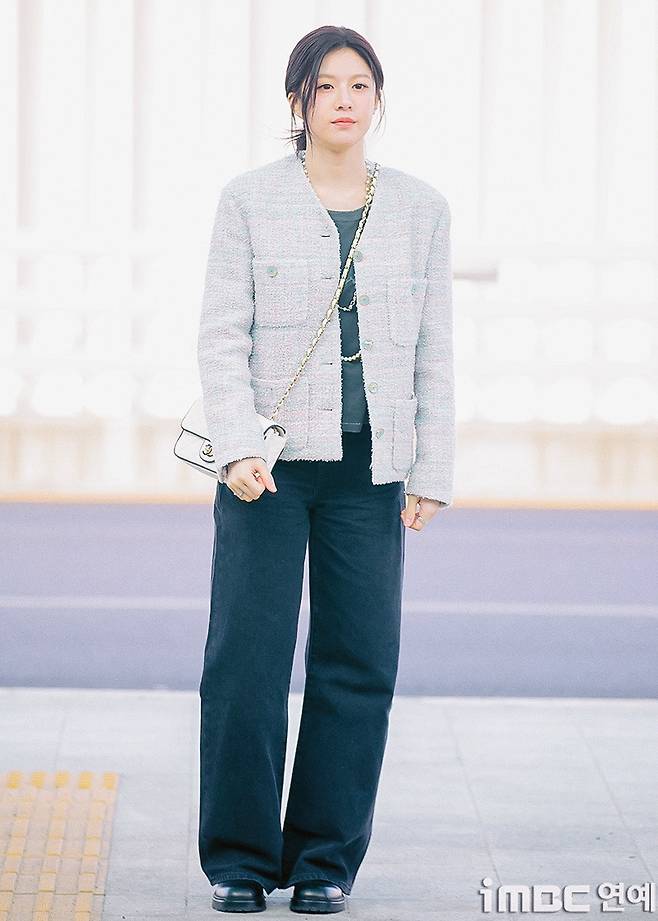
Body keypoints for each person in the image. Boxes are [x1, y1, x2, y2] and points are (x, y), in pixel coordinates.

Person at [196, 24, 455, 915]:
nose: (344, 100)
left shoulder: (420, 208)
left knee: (359, 661)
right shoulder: (248, 200)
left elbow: (434, 350)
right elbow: (222, 333)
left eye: (360, 85)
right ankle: (238, 860)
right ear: (297, 100)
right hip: (265, 469)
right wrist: (237, 443)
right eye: (326, 85)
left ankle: (324, 860)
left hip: (371, 468)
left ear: (378, 100)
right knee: (247, 660)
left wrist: (431, 467)